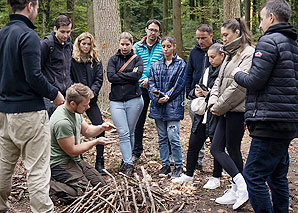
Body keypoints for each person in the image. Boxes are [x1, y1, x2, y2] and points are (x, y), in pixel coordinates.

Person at [232, 0, 298, 212]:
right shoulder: (293, 44)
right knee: (277, 175)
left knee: (253, 176)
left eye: (261, 20)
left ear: (271, 18)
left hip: (270, 121)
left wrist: (236, 74)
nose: (259, 25)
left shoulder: (269, 42)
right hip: (286, 121)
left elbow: (255, 81)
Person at [0, 0, 64, 212]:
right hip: (29, 114)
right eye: (36, 7)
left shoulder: (3, 33)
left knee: (3, 166)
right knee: (37, 169)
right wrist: (54, 94)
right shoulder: (28, 35)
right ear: (30, 5)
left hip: (4, 113)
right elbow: (34, 76)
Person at [207, 18, 254, 210]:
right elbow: (218, 80)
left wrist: (220, 106)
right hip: (223, 109)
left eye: (226, 35)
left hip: (237, 110)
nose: (223, 38)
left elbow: (239, 87)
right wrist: (213, 102)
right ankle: (238, 187)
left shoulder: (248, 53)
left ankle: (242, 187)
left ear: (237, 32)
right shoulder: (228, 54)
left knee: (232, 148)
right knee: (217, 148)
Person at [50, 83, 116, 203]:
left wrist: (101, 128)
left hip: (74, 160)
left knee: (101, 186)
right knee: (84, 193)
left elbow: (87, 130)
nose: (89, 107)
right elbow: (72, 150)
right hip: (59, 163)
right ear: (73, 103)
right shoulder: (62, 121)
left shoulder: (75, 112)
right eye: (85, 105)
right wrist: (96, 142)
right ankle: (48, 186)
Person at [172, 43, 224, 187]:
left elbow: (225, 95)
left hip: (217, 115)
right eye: (209, 57)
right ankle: (188, 174)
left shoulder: (225, 72)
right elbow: (194, 90)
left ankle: (216, 177)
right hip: (202, 114)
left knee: (216, 147)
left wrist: (209, 95)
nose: (211, 60)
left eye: (213, 57)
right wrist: (195, 93)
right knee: (194, 144)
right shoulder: (207, 71)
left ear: (222, 56)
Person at [148, 35, 187, 178]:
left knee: (173, 136)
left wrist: (168, 96)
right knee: (162, 137)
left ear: (174, 46)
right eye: (163, 46)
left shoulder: (181, 64)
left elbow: (180, 84)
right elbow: (151, 83)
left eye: (168, 46)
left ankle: (178, 165)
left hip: (173, 105)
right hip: (158, 106)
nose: (166, 49)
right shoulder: (156, 65)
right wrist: (156, 97)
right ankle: (165, 164)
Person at [107, 32, 144, 176]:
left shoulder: (137, 59)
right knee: (123, 132)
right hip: (116, 101)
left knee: (130, 131)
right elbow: (111, 77)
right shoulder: (113, 60)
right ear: (119, 44)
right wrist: (129, 75)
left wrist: (120, 75)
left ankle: (126, 160)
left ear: (131, 44)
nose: (124, 47)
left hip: (134, 99)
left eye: (127, 44)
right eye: (122, 44)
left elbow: (138, 75)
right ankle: (128, 163)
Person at [71, 32, 105, 174]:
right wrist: (78, 95)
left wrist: (91, 94)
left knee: (100, 127)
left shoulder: (95, 60)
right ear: (78, 44)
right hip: (76, 100)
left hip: (91, 100)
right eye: (83, 43)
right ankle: (77, 160)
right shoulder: (72, 60)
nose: (85, 46)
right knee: (73, 129)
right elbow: (69, 77)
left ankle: (100, 161)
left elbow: (99, 78)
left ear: (92, 45)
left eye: (88, 44)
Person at [186, 24, 218, 170]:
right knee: (196, 137)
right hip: (197, 100)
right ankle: (194, 166)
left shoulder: (220, 51)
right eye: (198, 38)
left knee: (215, 140)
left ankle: (218, 170)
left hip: (215, 103)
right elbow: (189, 74)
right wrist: (190, 94)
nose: (200, 41)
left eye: (203, 38)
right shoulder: (194, 52)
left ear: (211, 36)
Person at [133, 19, 163, 162]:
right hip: (140, 88)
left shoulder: (163, 46)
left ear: (159, 32)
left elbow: (164, 67)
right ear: (146, 29)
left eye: (156, 30)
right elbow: (132, 67)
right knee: (139, 120)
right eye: (151, 29)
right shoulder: (137, 47)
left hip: (157, 88)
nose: (153, 33)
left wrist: (150, 81)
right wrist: (142, 81)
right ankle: (136, 151)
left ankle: (167, 152)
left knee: (162, 119)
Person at [41, 15, 73, 117]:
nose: (66, 35)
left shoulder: (69, 45)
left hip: (66, 92)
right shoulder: (46, 45)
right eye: (62, 31)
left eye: (68, 32)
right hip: (50, 93)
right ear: (55, 29)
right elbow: (37, 70)